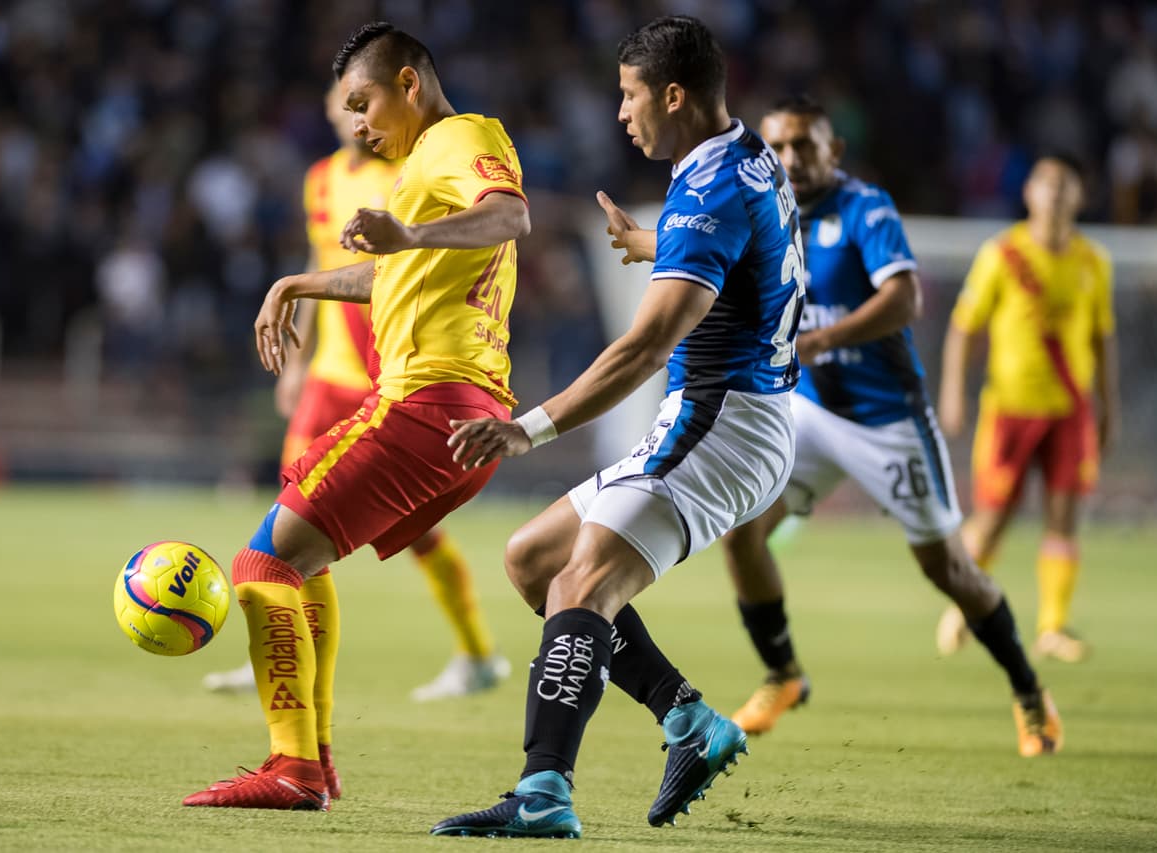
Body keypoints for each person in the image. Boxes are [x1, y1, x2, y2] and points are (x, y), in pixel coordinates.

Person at [432, 16, 804, 838]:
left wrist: (527, 428)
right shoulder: (732, 157)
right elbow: (742, 257)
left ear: (674, 94)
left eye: (631, 95)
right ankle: (690, 721)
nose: (622, 112)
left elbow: (641, 350)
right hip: (728, 413)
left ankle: (541, 793)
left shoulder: (709, 190)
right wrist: (650, 242)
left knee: (584, 585)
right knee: (534, 561)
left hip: (723, 421)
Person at [181, 21, 530, 811]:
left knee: (261, 564)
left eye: (365, 103)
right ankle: (316, 759)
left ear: (410, 83)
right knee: (300, 562)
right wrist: (296, 286)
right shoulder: (418, 170)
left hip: (428, 401)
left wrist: (406, 231)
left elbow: (511, 217)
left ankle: (292, 767)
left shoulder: (458, 138)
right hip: (449, 408)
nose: (360, 124)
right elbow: (393, 280)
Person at [714, 97, 1063, 760]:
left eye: (805, 146)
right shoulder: (764, 207)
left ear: (833, 151)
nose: (791, 159)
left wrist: (821, 340)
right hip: (812, 415)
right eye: (780, 146)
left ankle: (1028, 689)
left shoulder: (864, 207)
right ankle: (784, 674)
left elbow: (906, 297)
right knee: (742, 531)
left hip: (888, 419)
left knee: (949, 569)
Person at [201, 84, 510, 705]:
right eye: (343, 108)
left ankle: (476, 651)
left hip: (399, 379)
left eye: (361, 105)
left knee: (402, 535)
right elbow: (324, 261)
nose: (355, 120)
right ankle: (282, 655)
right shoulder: (319, 181)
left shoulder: (418, 169)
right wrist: (300, 363)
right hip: (331, 377)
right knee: (292, 524)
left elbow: (430, 258)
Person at [936, 153, 1119, 664]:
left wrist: (1110, 405)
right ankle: (963, 605)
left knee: (1064, 518)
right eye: (1047, 183)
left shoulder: (1093, 262)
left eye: (1067, 185)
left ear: (1080, 197)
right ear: (1030, 193)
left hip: (1070, 411)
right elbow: (964, 327)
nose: (1057, 193)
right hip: (1010, 410)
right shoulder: (1003, 254)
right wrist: (953, 391)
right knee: (992, 520)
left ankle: (1053, 626)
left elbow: (1103, 341)